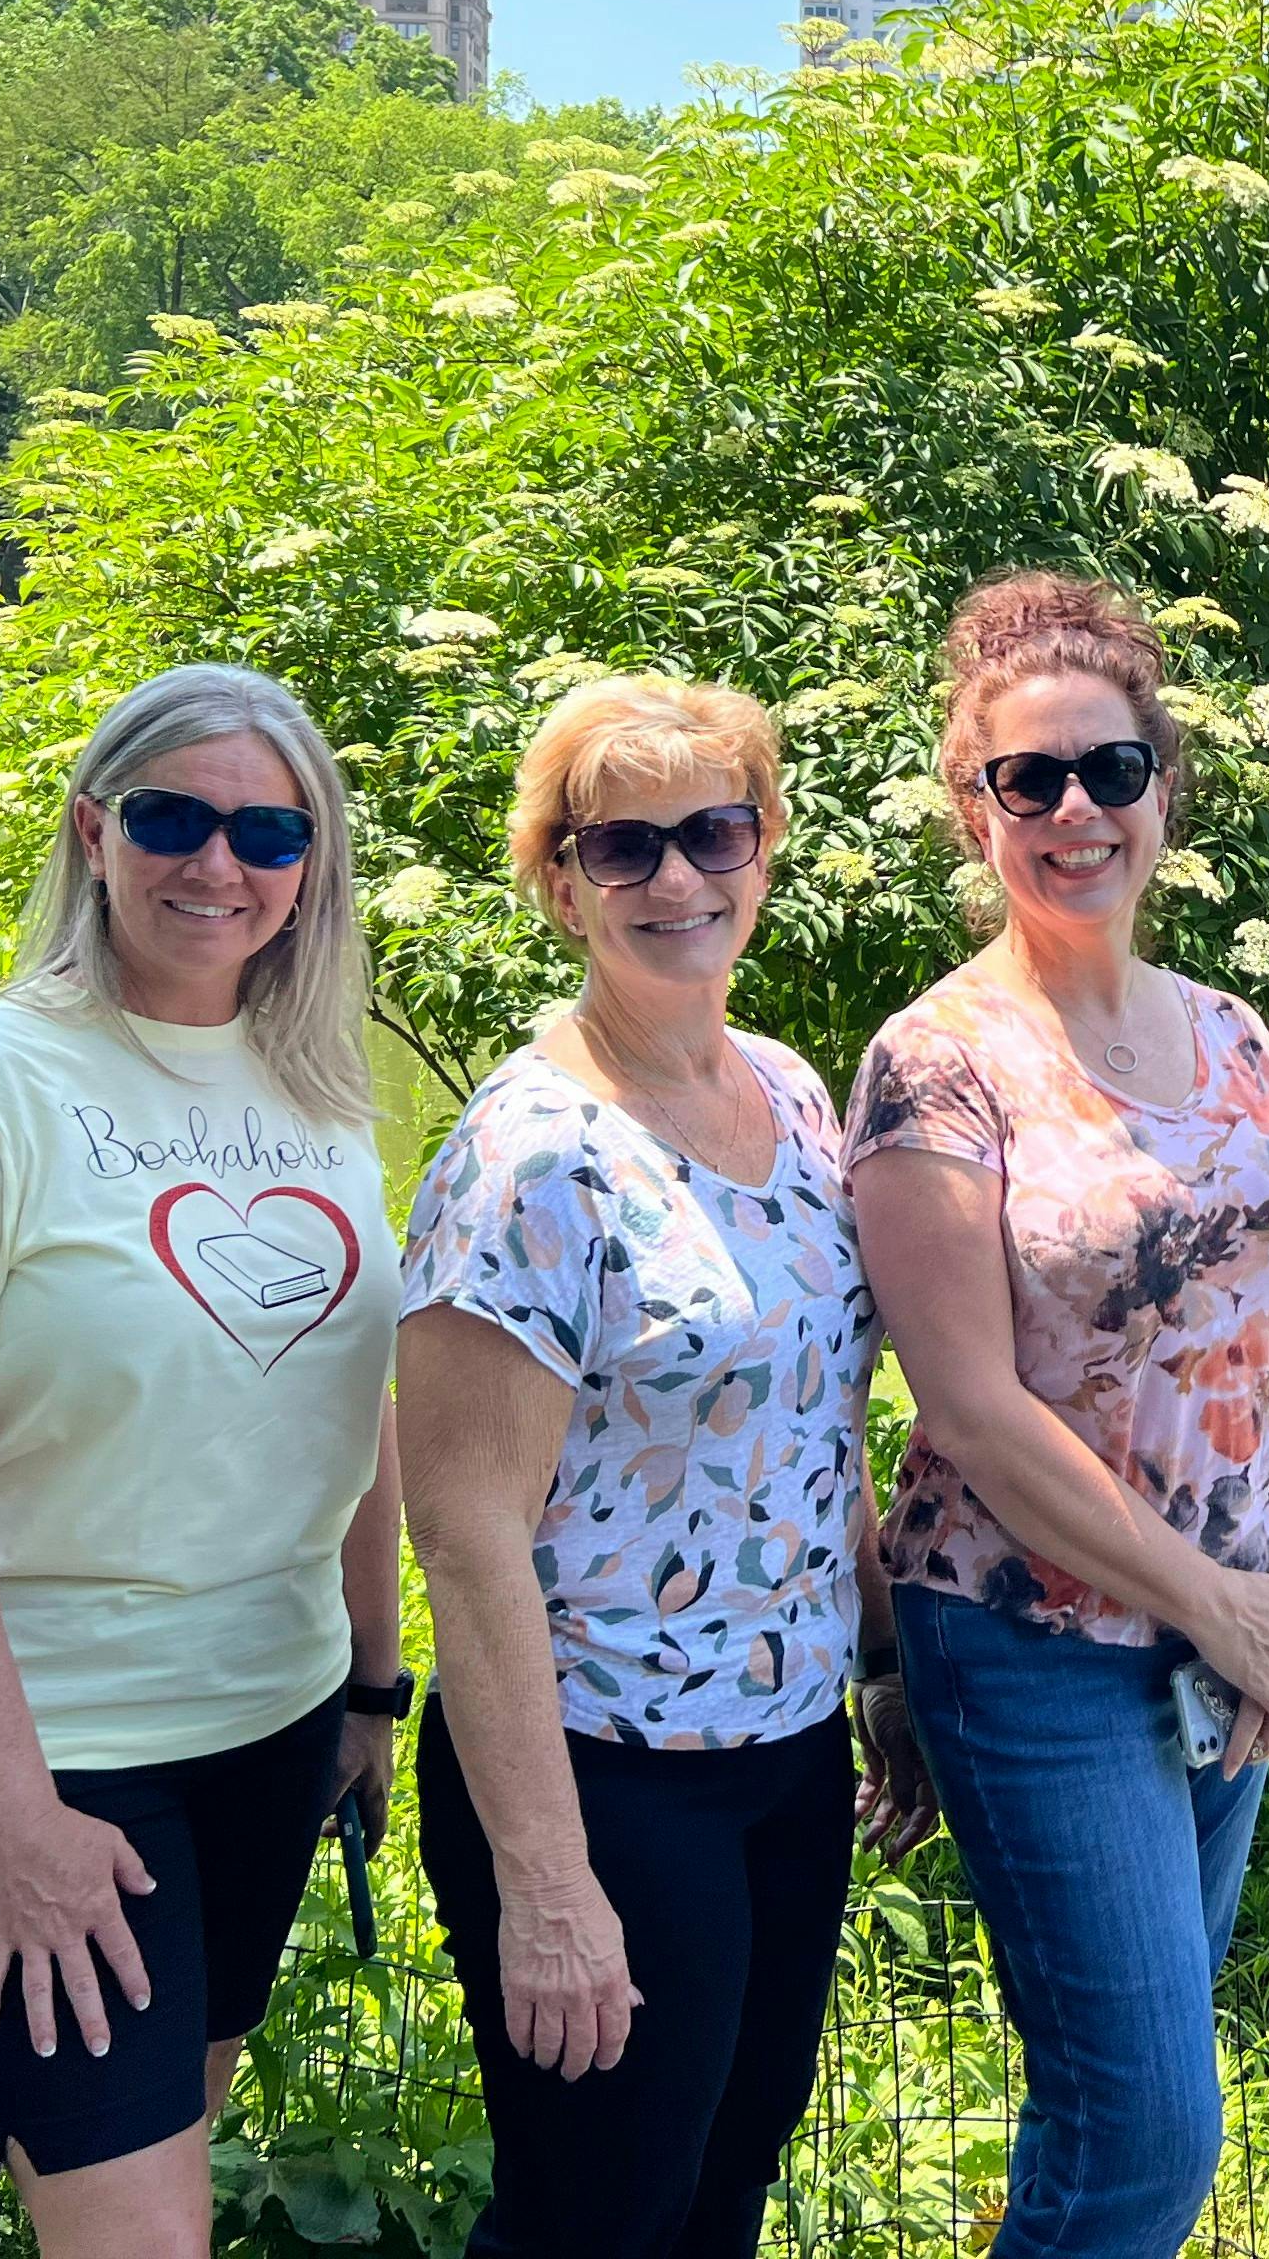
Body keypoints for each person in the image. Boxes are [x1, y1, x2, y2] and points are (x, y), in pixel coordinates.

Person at [0, 664, 408, 2259]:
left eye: (269, 833)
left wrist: (372, 1685)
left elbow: (353, 1403)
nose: (220, 864)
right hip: (47, 1744)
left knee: (160, 2179)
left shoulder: (317, 1091)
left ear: (311, 867)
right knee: (136, 2235)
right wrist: (14, 1822)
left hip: (268, 1720)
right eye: (171, 819)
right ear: (93, 831)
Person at [844, 573, 1269, 2259]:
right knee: (1148, 2132)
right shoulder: (937, 1065)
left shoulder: (1234, 1035)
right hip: (1033, 1648)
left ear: (1164, 790)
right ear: (974, 807)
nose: (1076, 811)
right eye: (1031, 779)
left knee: (1114, 2103)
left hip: (1231, 1650)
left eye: (1111, 771)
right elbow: (974, 1412)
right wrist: (1220, 1605)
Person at [397, 675, 936, 2259]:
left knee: (722, 2193)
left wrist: (883, 1666)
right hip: (602, 1770)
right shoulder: (530, 1156)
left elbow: (812, 1423)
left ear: (766, 848)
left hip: (785, 1758)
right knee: (596, 2220)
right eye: (623, 847)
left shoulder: (788, 1091)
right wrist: (547, 1883)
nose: (678, 877)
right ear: (560, 883)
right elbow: (465, 1535)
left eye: (715, 832)